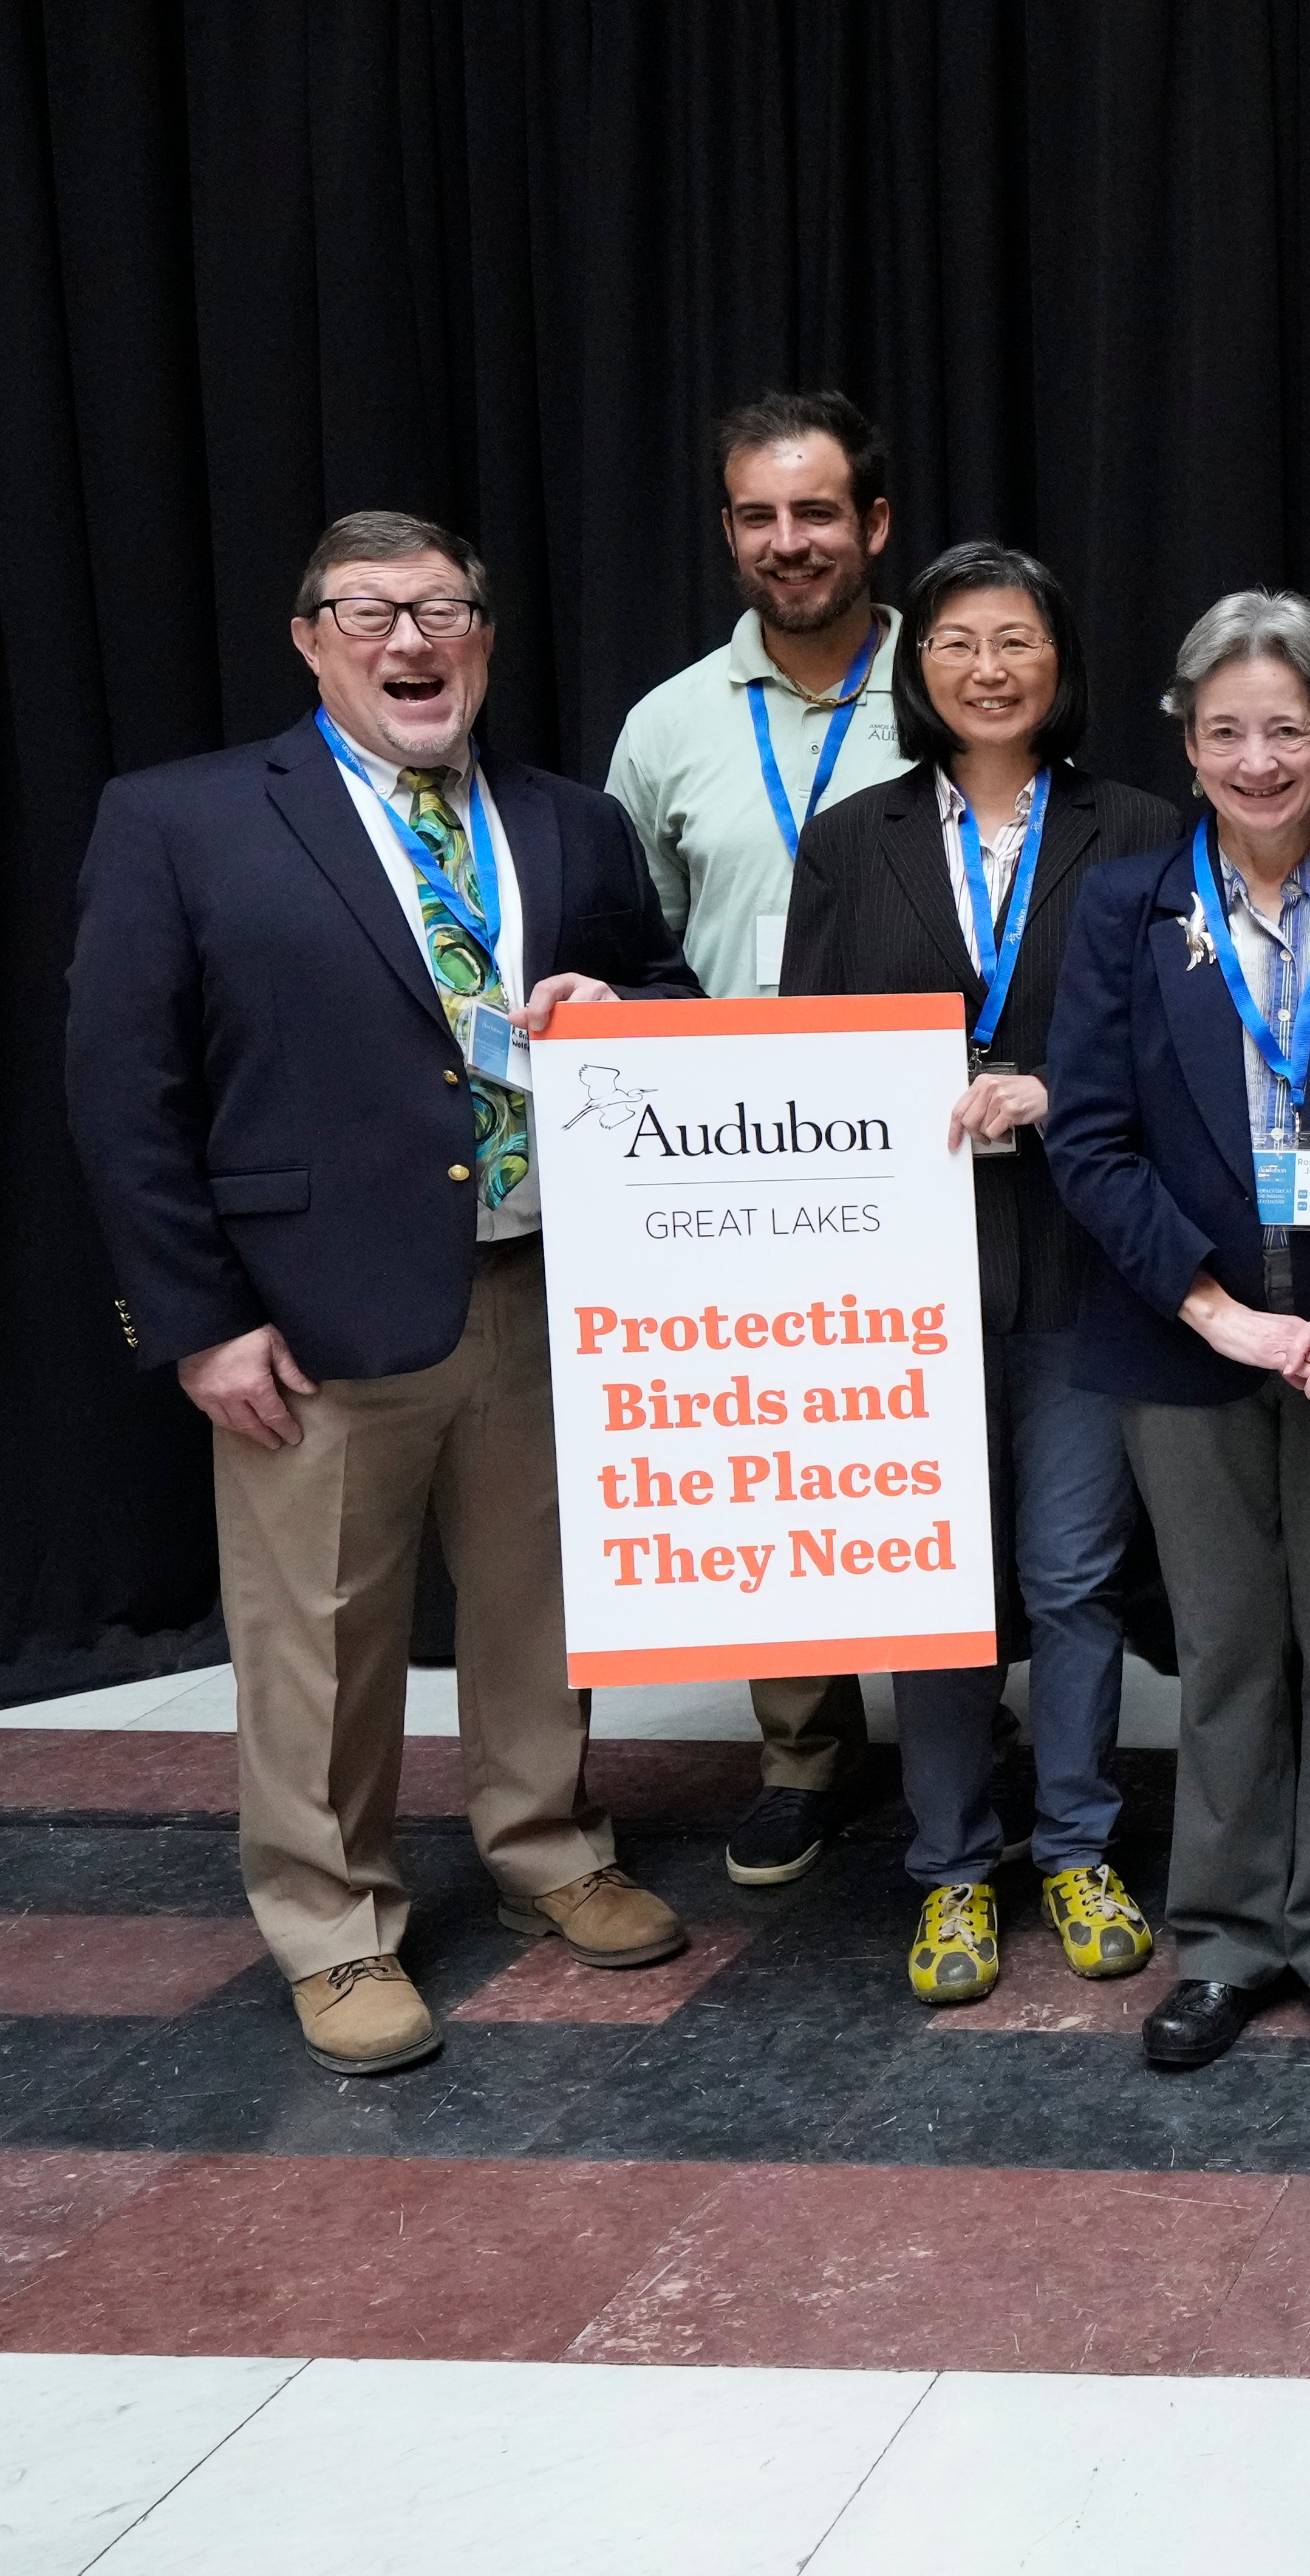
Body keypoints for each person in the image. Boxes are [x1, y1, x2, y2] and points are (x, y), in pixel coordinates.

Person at [66, 511, 701, 2073]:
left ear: (486, 634)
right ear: (309, 639)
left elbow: (669, 991)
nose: (410, 642)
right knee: (321, 1638)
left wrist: (620, 1003)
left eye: (442, 609)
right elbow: (121, 1089)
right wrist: (199, 1318)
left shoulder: (567, 823)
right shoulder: (183, 819)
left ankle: (546, 1845)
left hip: (546, 1283)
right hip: (312, 1308)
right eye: (369, 612)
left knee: (543, 1610)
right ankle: (333, 1922)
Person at [1045, 592, 1310, 2071]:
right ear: (1189, 743)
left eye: (1287, 728)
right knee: (1222, 1647)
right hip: (1183, 1343)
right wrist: (1213, 1310)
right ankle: (1222, 1936)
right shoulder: (1125, 905)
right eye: (1227, 731)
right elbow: (1087, 1138)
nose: (1258, 757)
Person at [782, 542, 1181, 2005]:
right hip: (906, 1269)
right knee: (931, 1582)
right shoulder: (851, 836)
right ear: (918, 665)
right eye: (956, 640)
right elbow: (799, 1056)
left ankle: (1075, 1841)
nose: (988, 667)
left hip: (1086, 1258)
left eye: (1016, 637)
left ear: (1058, 662)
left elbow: (1169, 1050)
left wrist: (1048, 1091)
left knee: (1073, 1572)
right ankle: (951, 1869)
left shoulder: (1138, 828)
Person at [604, 390, 909, 1886]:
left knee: (939, 1451)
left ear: (873, 524)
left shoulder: (963, 677)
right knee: (777, 1459)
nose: (787, 542)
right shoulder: (668, 721)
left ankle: (970, 1743)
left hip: (937, 1136)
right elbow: (626, 932)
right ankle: (802, 1742)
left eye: (814, 511)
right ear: (730, 531)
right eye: (757, 516)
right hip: (738, 1155)